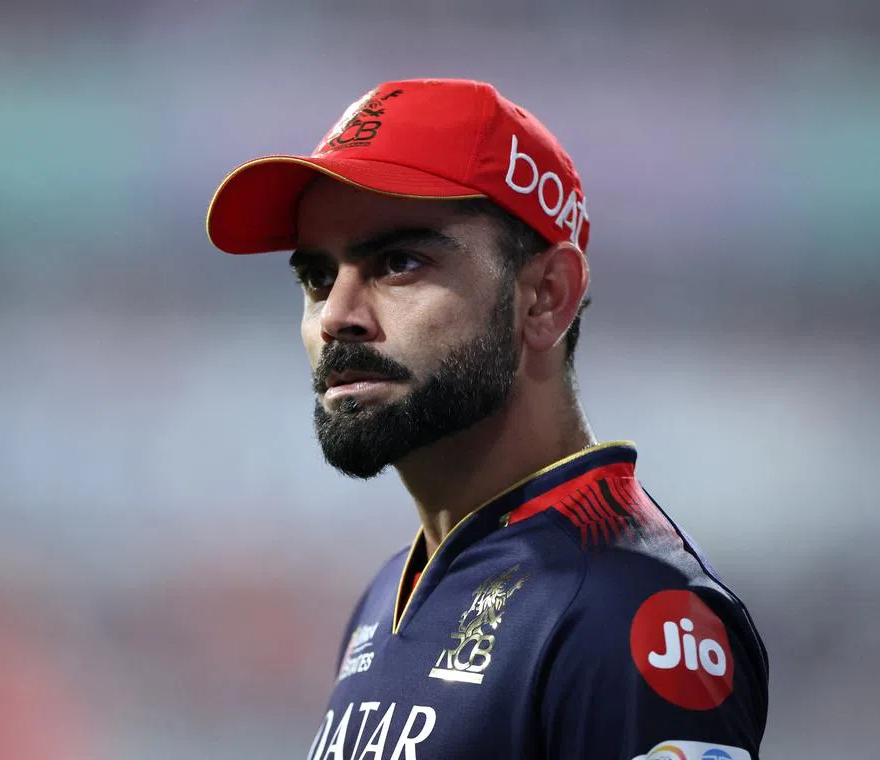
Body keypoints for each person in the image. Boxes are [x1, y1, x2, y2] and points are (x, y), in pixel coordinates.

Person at [206, 78, 768, 760]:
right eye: (318, 278)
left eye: (398, 263)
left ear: (546, 298)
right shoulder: (389, 595)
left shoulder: (628, 614)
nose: (334, 316)